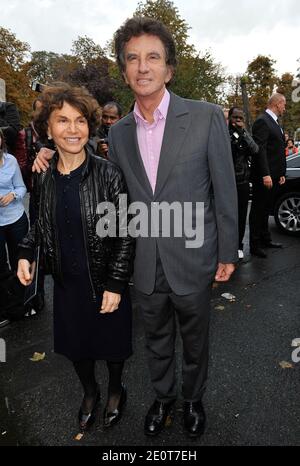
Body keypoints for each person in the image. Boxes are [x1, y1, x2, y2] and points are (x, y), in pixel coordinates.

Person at [32, 17, 238, 439]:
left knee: (196, 343)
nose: (143, 67)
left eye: (153, 57)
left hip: (194, 257)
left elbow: (225, 189)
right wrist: (45, 156)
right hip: (142, 263)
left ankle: (192, 400)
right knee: (156, 342)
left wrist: (227, 252)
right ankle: (163, 399)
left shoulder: (204, 117)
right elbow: (82, 158)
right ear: (124, 70)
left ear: (169, 68)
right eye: (133, 59)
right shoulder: (119, 132)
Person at [17, 84, 135, 432]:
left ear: (90, 125)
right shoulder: (43, 177)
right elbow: (39, 225)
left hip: (106, 281)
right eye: (63, 121)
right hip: (67, 285)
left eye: (80, 120)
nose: (73, 129)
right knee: (78, 349)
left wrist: (116, 283)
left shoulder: (108, 173)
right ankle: (90, 392)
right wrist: (26, 254)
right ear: (48, 129)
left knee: (113, 349)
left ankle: (115, 391)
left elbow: (126, 232)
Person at [249, 93, 286, 258]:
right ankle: (255, 245)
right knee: (258, 210)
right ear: (278, 104)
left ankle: (265, 239)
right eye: (283, 105)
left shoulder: (275, 123)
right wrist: (265, 174)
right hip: (264, 177)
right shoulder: (262, 121)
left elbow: (276, 150)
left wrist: (281, 174)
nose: (284, 108)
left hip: (274, 176)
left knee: (265, 210)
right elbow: (260, 150)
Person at [228, 107, 259, 259]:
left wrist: (243, 133)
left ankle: (238, 246)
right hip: (226, 182)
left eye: (241, 118)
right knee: (226, 215)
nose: (238, 120)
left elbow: (255, 149)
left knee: (241, 216)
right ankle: (224, 246)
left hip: (242, 182)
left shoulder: (245, 135)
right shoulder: (223, 133)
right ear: (230, 118)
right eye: (235, 117)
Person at [0, 128, 28, 274]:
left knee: (20, 262)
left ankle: (20, 295)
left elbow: (21, 187)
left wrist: (13, 195)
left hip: (15, 218)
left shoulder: (10, 160)